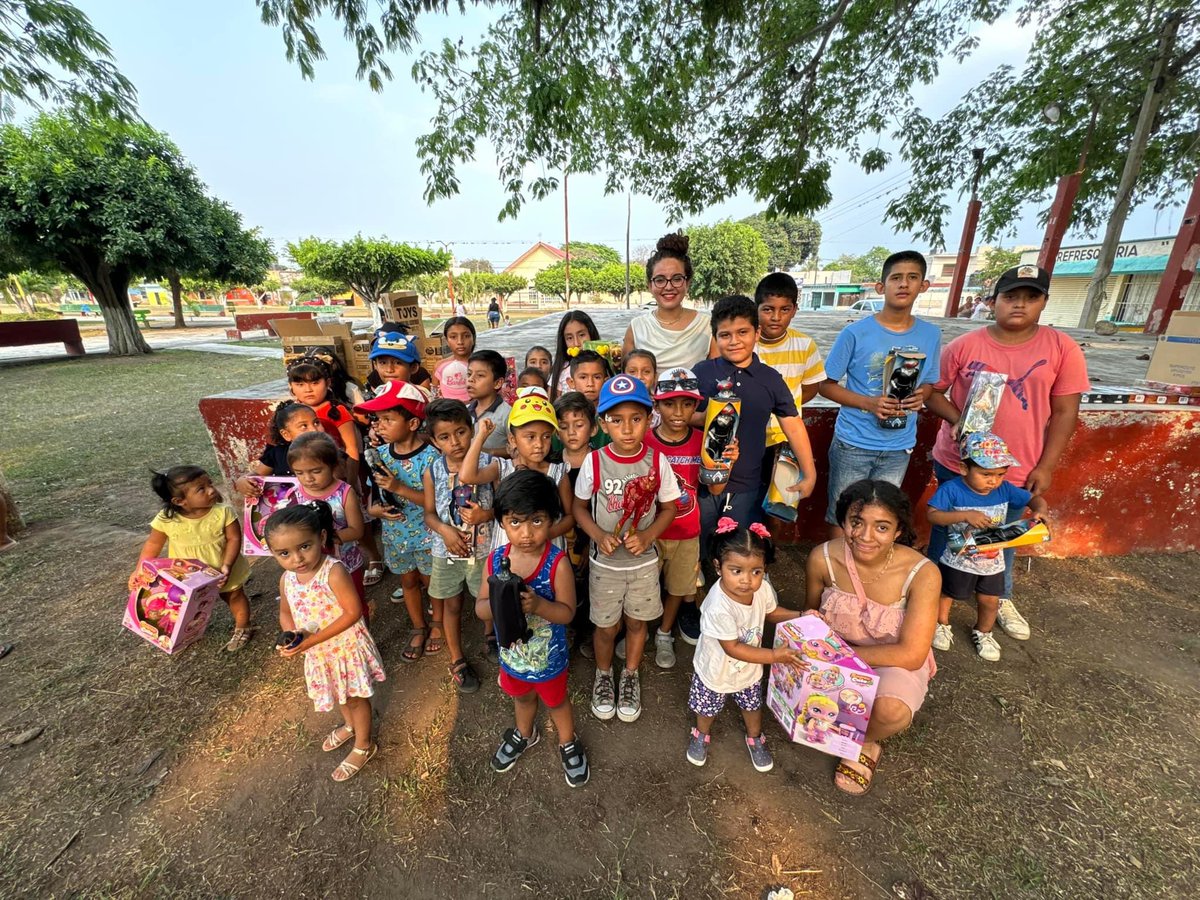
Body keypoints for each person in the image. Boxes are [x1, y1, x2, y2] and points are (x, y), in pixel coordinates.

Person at [925, 264, 1089, 641]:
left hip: (1016, 468)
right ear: (993, 301)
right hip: (958, 462)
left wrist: (1046, 466)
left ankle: (1000, 598)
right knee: (946, 532)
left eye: (1031, 297)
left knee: (1005, 536)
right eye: (1011, 296)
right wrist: (958, 421)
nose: (1020, 305)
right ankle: (932, 601)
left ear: (1044, 302)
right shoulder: (965, 346)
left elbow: (1065, 412)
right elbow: (931, 391)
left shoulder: (1061, 349)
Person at [804, 480, 939, 795]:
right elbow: (810, 615)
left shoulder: (922, 573)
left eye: (881, 527)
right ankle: (841, 724)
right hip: (834, 654)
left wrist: (840, 657)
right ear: (843, 522)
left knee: (892, 711)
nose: (865, 536)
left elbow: (911, 654)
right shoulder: (821, 558)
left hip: (890, 660)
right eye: (856, 522)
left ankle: (865, 740)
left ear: (898, 531)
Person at [572, 375, 681, 723]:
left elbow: (670, 508)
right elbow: (578, 507)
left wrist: (648, 536)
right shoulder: (594, 461)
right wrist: (596, 534)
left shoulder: (657, 461)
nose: (627, 428)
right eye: (616, 420)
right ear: (603, 423)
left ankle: (630, 675)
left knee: (637, 624)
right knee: (605, 628)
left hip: (643, 565)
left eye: (636, 418)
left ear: (650, 419)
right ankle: (604, 676)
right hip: (605, 566)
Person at [476, 470, 590, 787]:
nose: (526, 533)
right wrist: (502, 604)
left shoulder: (557, 563)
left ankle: (568, 741)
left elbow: (567, 613)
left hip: (549, 661)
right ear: (501, 522)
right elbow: (480, 606)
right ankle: (525, 733)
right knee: (522, 698)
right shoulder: (497, 560)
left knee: (556, 702)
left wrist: (538, 606)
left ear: (552, 520)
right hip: (512, 658)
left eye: (537, 521)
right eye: (516, 522)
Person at [818, 250, 942, 536]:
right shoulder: (856, 333)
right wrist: (869, 403)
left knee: (882, 512)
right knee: (844, 512)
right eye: (896, 278)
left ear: (924, 286)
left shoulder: (931, 334)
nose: (904, 284)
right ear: (880, 286)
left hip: (899, 444)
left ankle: (865, 571)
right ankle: (838, 575)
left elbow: (930, 383)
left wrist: (920, 395)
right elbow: (826, 384)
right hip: (854, 441)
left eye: (912, 278)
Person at [692, 295, 817, 569]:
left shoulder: (770, 379)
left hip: (748, 484)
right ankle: (695, 592)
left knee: (741, 549)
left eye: (742, 332)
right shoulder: (701, 373)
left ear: (757, 333)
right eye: (725, 335)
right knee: (698, 547)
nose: (734, 340)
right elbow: (681, 415)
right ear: (715, 338)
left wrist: (809, 472)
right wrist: (709, 416)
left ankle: (737, 593)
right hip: (702, 480)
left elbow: (792, 424)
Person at [267, 502, 385, 782]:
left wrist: (310, 641)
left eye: (304, 547)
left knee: (355, 698)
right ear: (273, 553)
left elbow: (353, 612)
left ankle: (364, 744)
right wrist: (292, 637)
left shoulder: (334, 572)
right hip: (319, 652)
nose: (297, 558)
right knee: (337, 692)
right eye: (284, 553)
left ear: (321, 538)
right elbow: (286, 612)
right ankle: (349, 725)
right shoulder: (287, 580)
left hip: (344, 648)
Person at [687, 519, 805, 772]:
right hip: (716, 669)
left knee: (752, 705)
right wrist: (774, 656)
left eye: (756, 572)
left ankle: (755, 737)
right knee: (708, 707)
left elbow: (771, 613)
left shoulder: (762, 590)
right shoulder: (718, 606)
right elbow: (732, 647)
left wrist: (801, 614)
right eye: (736, 570)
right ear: (718, 567)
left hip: (750, 668)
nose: (747, 580)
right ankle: (701, 733)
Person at [926, 433, 1048, 661]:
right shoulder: (952, 489)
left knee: (990, 600)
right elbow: (932, 515)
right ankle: (941, 624)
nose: (994, 481)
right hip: (958, 558)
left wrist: (1040, 510)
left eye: (1001, 474)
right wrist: (963, 515)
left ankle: (984, 632)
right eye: (986, 474)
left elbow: (1034, 499)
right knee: (948, 593)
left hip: (992, 561)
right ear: (964, 469)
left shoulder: (1004, 490)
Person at [355, 381, 439, 661]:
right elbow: (374, 493)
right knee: (408, 581)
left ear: (414, 422)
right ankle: (418, 626)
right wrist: (374, 511)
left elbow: (437, 501)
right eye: (379, 420)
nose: (380, 425)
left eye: (389, 419)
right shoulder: (379, 455)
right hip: (396, 536)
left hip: (428, 535)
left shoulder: (431, 458)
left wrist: (399, 488)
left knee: (432, 583)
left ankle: (437, 625)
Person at [131, 466, 253, 652]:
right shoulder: (165, 519)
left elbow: (234, 538)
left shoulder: (223, 512)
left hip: (223, 569)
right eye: (201, 489)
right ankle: (186, 632)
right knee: (186, 604)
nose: (212, 489)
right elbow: (153, 545)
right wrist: (141, 570)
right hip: (188, 576)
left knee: (234, 595)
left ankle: (242, 627)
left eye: (209, 484)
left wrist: (226, 565)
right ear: (180, 501)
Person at [422, 399, 493, 694]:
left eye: (462, 432)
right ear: (433, 441)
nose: (455, 442)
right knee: (451, 603)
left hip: (484, 549)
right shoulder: (432, 471)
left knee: (488, 602)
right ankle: (457, 659)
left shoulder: (489, 463)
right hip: (446, 552)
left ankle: (492, 637)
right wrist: (445, 532)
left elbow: (503, 508)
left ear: (472, 429)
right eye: (445, 437)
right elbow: (428, 513)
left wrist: (484, 515)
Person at [642, 367, 705, 667]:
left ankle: (665, 632)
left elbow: (716, 484)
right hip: (650, 532)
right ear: (656, 405)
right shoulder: (643, 442)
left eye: (687, 403)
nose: (678, 412)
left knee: (679, 588)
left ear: (696, 405)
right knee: (643, 585)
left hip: (687, 531)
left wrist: (725, 461)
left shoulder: (705, 440)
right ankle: (638, 632)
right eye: (669, 403)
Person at [754, 272, 827, 511]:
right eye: (768, 309)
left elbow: (810, 388)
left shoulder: (804, 345)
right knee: (746, 501)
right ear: (757, 308)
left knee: (780, 502)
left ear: (795, 309)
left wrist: (782, 410)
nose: (776, 317)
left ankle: (770, 547)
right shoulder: (745, 343)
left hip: (785, 440)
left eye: (784, 309)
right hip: (748, 438)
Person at [288, 432, 367, 603]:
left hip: (346, 564)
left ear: (333, 465)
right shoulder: (293, 495)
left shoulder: (345, 492)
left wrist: (326, 539)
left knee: (354, 604)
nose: (308, 478)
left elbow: (357, 530)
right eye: (299, 473)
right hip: (310, 567)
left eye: (316, 471)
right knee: (323, 607)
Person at [622, 233, 715, 368]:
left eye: (677, 279)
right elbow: (627, 382)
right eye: (660, 280)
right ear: (650, 285)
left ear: (687, 282)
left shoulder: (707, 326)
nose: (669, 287)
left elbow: (718, 379)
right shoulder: (637, 328)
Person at [287, 353, 359, 469]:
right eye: (300, 384)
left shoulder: (336, 411)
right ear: (291, 386)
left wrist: (351, 480)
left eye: (315, 383)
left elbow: (351, 448)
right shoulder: (290, 412)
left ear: (328, 383)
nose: (308, 390)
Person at [234, 401, 319, 494]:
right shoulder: (278, 454)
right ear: (286, 434)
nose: (314, 429)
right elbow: (257, 474)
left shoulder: (329, 452)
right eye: (304, 426)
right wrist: (242, 481)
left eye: (316, 423)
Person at [466, 350, 512, 458]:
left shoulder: (508, 414)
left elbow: (518, 448)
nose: (471, 379)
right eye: (469, 374)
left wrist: (483, 451)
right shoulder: (464, 411)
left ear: (497, 383)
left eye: (480, 375)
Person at [549, 311, 601, 399]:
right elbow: (552, 402)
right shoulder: (561, 370)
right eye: (569, 338)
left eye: (581, 335)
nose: (576, 343)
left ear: (591, 334)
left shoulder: (603, 365)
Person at [432, 316, 476, 402]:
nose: (460, 342)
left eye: (466, 336)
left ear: (473, 338)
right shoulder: (440, 366)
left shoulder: (484, 365)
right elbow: (435, 395)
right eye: (453, 337)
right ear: (447, 340)